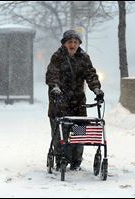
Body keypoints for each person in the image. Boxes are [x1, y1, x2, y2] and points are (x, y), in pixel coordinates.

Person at [46, 29, 104, 171]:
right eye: (70, 42)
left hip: (77, 101)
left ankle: (76, 161)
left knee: (79, 131)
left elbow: (90, 74)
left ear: (79, 44)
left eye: (75, 42)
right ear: (64, 43)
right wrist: (55, 87)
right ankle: (61, 159)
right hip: (59, 101)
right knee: (61, 131)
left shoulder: (84, 57)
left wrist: (96, 89)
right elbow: (52, 74)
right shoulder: (57, 57)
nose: (72, 44)